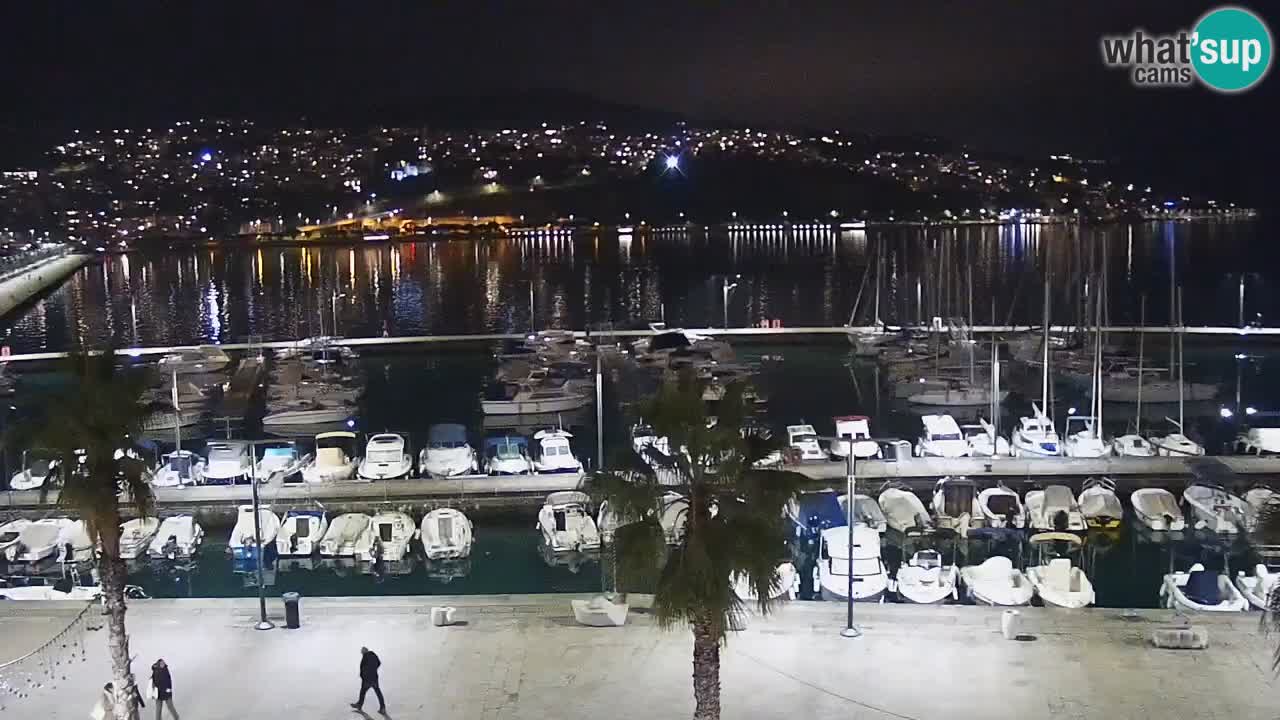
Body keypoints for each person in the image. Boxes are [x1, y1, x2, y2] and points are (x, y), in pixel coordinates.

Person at [351, 646, 386, 714]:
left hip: (367, 679)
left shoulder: (365, 657)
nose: (361, 653)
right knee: (378, 692)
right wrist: (374, 669)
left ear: (364, 651)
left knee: (363, 692)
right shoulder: (373, 654)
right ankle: (383, 708)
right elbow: (379, 663)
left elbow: (363, 668)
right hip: (374, 677)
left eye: (362, 651)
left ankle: (359, 705)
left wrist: (363, 675)